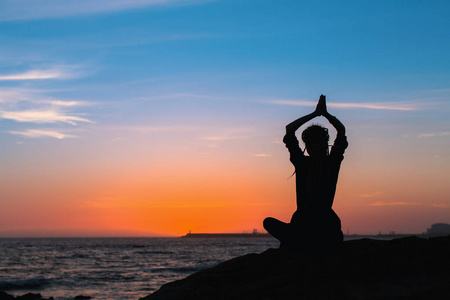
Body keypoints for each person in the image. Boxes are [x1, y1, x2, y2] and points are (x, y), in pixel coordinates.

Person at [263, 95, 348, 252]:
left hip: (302, 228)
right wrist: (326, 114)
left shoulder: (302, 162)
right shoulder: (332, 162)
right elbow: (341, 131)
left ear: (306, 146)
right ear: (325, 143)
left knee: (268, 222)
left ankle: (298, 244)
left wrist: (315, 114)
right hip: (329, 229)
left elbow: (289, 130)